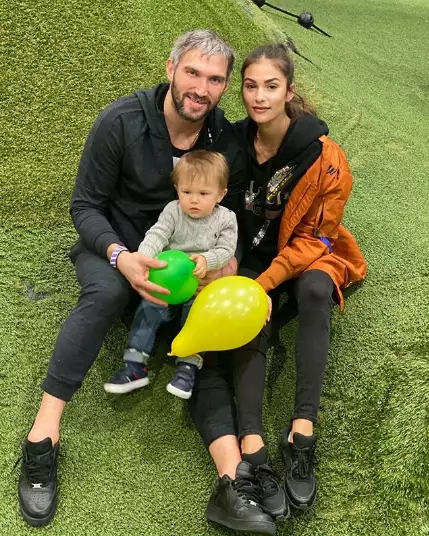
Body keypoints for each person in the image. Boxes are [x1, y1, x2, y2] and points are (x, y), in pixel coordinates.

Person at [17, 29, 246, 527]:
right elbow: (84, 206)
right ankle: (42, 436)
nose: (201, 88)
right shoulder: (120, 121)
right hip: (116, 250)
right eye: (192, 72)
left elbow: (233, 222)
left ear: (225, 86)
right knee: (107, 293)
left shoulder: (224, 139)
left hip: (186, 269)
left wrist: (224, 266)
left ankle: (237, 478)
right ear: (170, 69)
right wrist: (121, 256)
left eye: (214, 79)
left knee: (216, 324)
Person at [188, 43, 367, 535]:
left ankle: (301, 432)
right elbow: (214, 210)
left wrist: (263, 285)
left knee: (315, 291)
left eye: (271, 86)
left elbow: (316, 239)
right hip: (247, 255)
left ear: (289, 91)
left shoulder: (326, 157)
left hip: (305, 253)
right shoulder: (233, 141)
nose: (259, 97)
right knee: (246, 317)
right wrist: (228, 268)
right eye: (250, 86)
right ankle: (254, 448)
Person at [103, 150, 238, 399]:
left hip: (199, 285)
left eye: (203, 194)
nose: (194, 200)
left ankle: (187, 367)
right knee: (149, 308)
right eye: (187, 192)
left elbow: (226, 250)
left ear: (221, 194)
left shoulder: (226, 218)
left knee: (197, 319)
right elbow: (157, 235)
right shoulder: (173, 211)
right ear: (177, 189)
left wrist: (207, 260)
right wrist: (144, 257)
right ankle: (134, 365)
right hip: (167, 280)